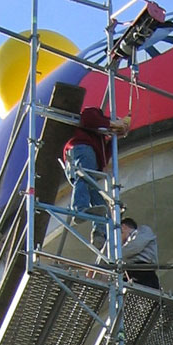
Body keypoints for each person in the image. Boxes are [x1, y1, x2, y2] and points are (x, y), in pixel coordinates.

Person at [61, 104, 128, 251]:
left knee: (100, 202)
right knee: (83, 177)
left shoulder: (99, 138)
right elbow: (88, 118)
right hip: (82, 149)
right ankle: (79, 208)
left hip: (88, 159)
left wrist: (115, 137)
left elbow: (104, 155)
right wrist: (111, 123)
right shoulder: (94, 114)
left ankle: (100, 233)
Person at [109, 216, 160, 290]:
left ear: (123, 227)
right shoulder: (126, 247)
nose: (119, 240)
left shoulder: (143, 230)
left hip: (143, 271)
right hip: (130, 273)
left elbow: (135, 247)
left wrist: (114, 254)